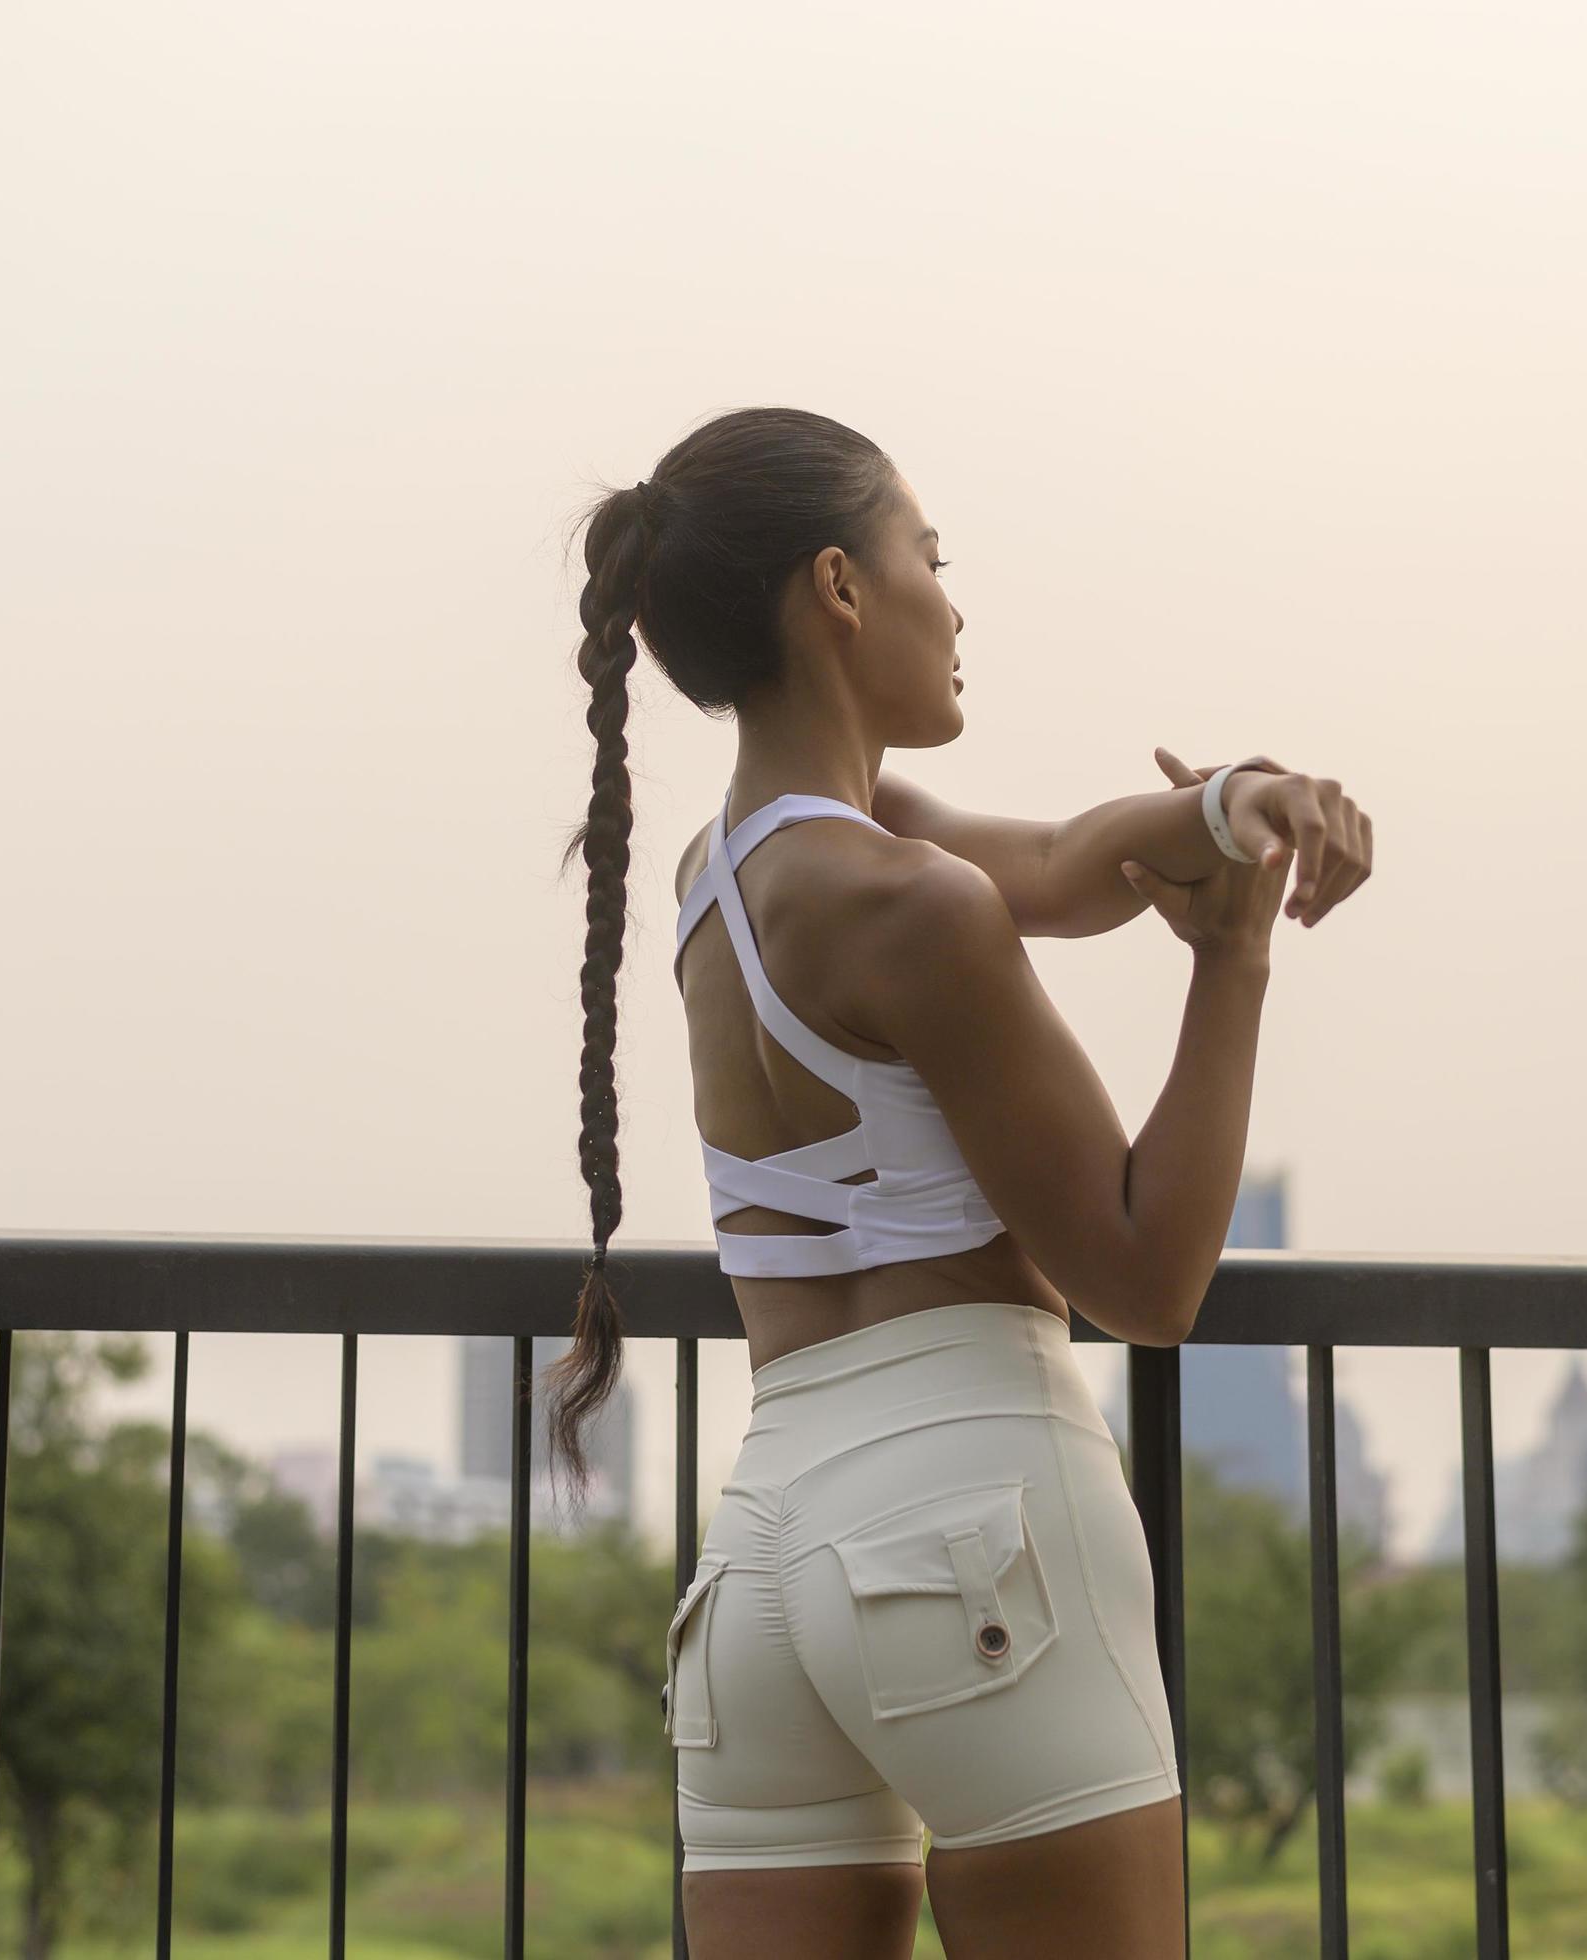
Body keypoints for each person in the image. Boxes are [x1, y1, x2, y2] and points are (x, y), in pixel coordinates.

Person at [547, 406, 1372, 1958]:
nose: (955, 597)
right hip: (973, 1525)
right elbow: (1144, 1279)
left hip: (765, 1559)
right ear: (841, 588)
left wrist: (1225, 803)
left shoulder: (726, 877)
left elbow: (1063, 858)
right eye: (931, 553)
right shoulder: (909, 901)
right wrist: (1231, 962)